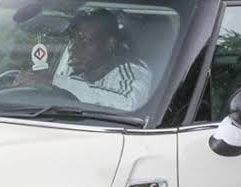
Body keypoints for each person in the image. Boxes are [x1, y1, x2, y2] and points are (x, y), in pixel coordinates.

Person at [19, 9, 152, 111]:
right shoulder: (75, 71)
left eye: (83, 40)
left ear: (109, 44)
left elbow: (127, 104)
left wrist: (54, 82)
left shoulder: (132, 72)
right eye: (72, 39)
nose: (73, 46)